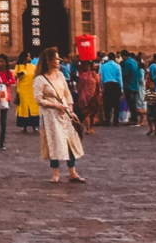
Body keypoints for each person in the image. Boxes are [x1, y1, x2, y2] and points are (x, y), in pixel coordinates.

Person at [33, 48, 86, 183]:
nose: (58, 61)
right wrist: (55, 105)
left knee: (70, 141)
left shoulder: (60, 75)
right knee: (54, 142)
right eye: (56, 59)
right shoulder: (40, 79)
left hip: (65, 113)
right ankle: (55, 173)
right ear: (49, 60)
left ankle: (72, 171)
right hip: (51, 115)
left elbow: (67, 93)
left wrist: (71, 109)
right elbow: (38, 99)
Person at [14, 50, 39, 132]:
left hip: (32, 89)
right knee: (24, 108)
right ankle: (24, 127)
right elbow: (15, 76)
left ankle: (34, 126)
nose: (30, 57)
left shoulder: (33, 67)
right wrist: (19, 74)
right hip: (22, 90)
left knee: (33, 108)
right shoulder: (18, 66)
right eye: (28, 56)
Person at [99, 52, 124, 127]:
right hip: (115, 85)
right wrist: (121, 89)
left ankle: (107, 120)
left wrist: (102, 87)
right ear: (114, 58)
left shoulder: (103, 66)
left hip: (107, 85)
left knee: (106, 104)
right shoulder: (117, 66)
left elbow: (102, 78)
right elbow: (119, 78)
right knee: (116, 104)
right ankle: (115, 120)